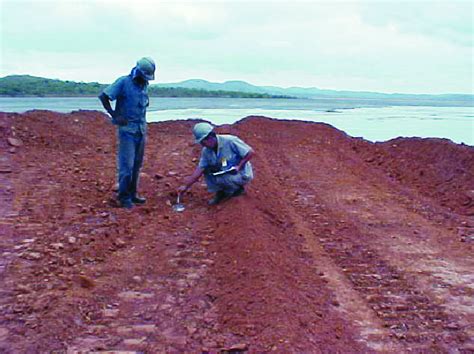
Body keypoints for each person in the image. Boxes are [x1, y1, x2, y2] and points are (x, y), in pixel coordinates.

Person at [98, 57, 156, 208]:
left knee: (137, 165)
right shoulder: (123, 82)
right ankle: (123, 197)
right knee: (127, 166)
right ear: (137, 71)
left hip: (141, 130)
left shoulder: (144, 85)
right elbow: (104, 96)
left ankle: (133, 194)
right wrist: (114, 114)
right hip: (127, 131)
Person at [178, 122, 255, 205]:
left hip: (242, 173)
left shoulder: (230, 141)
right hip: (226, 169)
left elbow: (250, 153)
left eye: (203, 142)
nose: (203, 145)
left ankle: (237, 190)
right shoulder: (206, 151)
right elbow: (200, 169)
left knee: (222, 179)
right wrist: (185, 186)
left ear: (210, 137)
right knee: (207, 169)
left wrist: (239, 166)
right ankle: (221, 192)